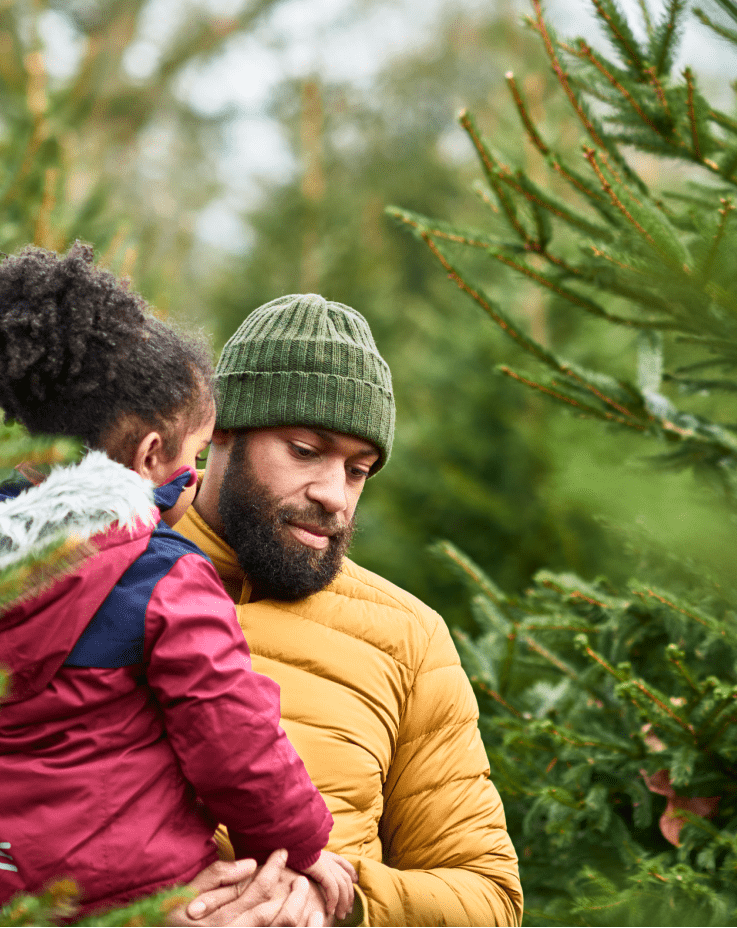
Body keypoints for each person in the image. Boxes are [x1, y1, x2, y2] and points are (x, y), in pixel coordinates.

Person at [0, 246, 353, 924]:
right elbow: (234, 738)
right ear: (153, 455)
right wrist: (297, 846)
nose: (196, 468)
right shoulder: (164, 576)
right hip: (123, 885)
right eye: (195, 453)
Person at [165, 294, 523, 927]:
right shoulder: (82, 581)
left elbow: (490, 896)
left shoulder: (407, 639)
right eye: (305, 450)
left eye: (359, 471)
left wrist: (339, 900)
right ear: (222, 431)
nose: (334, 496)